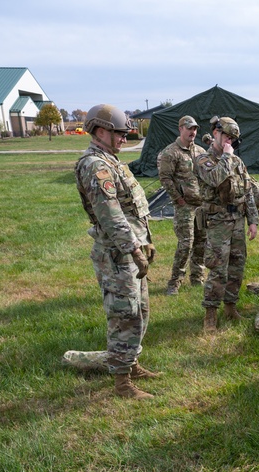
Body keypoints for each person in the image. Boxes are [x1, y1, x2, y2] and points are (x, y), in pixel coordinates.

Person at [74, 103, 158, 399]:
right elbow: (110, 214)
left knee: (141, 311)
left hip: (130, 250)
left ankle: (131, 364)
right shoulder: (96, 165)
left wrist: (144, 240)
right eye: (120, 133)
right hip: (117, 254)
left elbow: (131, 208)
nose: (125, 138)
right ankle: (122, 384)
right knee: (124, 315)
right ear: (101, 131)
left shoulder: (111, 160)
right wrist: (133, 247)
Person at [194, 115, 259, 330]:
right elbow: (215, 179)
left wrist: (253, 220)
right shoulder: (204, 160)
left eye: (233, 139)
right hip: (218, 222)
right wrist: (227, 157)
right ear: (215, 133)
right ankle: (210, 313)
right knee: (217, 268)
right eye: (227, 137)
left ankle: (231, 307)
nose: (230, 142)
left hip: (238, 220)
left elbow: (247, 191)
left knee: (237, 266)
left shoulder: (237, 161)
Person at [157, 115, 206, 296]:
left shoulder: (200, 151)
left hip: (200, 206)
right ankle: (174, 282)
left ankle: (197, 278)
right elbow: (165, 178)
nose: (192, 132)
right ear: (180, 129)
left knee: (201, 242)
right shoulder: (171, 152)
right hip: (185, 207)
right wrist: (178, 198)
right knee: (186, 244)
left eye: (194, 129)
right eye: (189, 128)